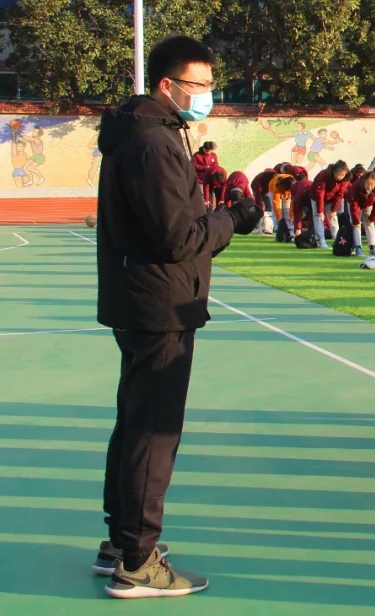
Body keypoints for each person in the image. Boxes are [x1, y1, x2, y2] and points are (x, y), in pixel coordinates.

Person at [94, 35, 261, 599]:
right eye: (200, 85)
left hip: (145, 298)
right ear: (167, 85)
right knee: (154, 431)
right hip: (159, 302)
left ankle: (122, 540)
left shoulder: (145, 133)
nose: (208, 95)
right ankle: (137, 560)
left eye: (212, 85)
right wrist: (232, 219)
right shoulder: (152, 143)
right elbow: (178, 238)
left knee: (135, 421)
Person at [311, 160, 351, 248]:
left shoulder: (345, 180)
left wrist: (334, 210)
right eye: (338, 174)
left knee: (333, 217)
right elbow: (320, 193)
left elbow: (340, 195)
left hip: (331, 199)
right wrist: (320, 211)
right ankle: (321, 240)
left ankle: (337, 239)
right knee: (318, 217)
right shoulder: (324, 175)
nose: (340, 177)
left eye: (342, 175)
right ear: (334, 171)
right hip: (317, 198)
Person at [348, 170, 375, 257]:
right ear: (364, 181)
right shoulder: (356, 187)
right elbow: (354, 205)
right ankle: (358, 247)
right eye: (367, 184)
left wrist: (372, 218)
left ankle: (373, 247)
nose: (369, 187)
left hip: (368, 204)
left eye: (372, 184)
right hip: (354, 203)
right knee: (356, 225)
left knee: (369, 223)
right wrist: (356, 220)